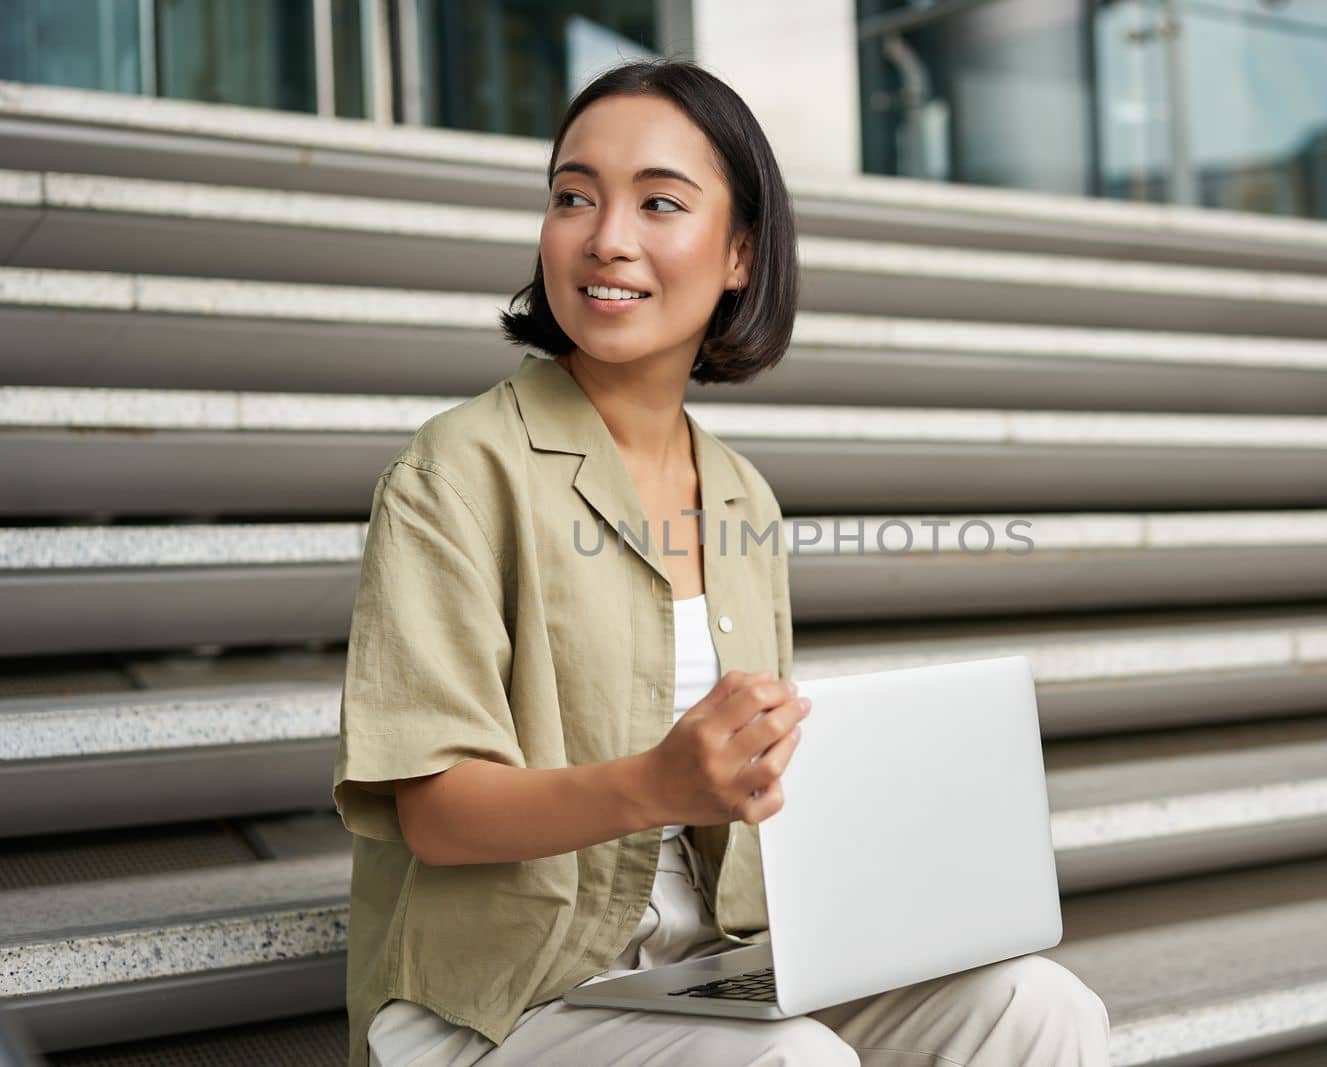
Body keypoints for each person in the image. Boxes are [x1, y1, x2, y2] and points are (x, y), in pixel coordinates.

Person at [335, 56, 1112, 1067]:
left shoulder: (742, 493)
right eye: (574, 195)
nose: (606, 236)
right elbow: (430, 808)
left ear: (739, 253)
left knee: (1037, 1004)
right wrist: (658, 782)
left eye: (659, 201)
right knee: (791, 1064)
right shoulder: (458, 468)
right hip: (503, 1001)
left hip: (704, 970)